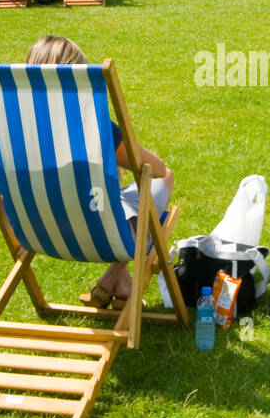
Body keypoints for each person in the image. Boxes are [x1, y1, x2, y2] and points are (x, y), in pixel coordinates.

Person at [21, 35, 174, 310]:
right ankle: (114, 275)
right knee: (164, 178)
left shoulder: (14, 126)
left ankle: (117, 280)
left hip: (38, 231)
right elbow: (156, 168)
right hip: (98, 233)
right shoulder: (91, 122)